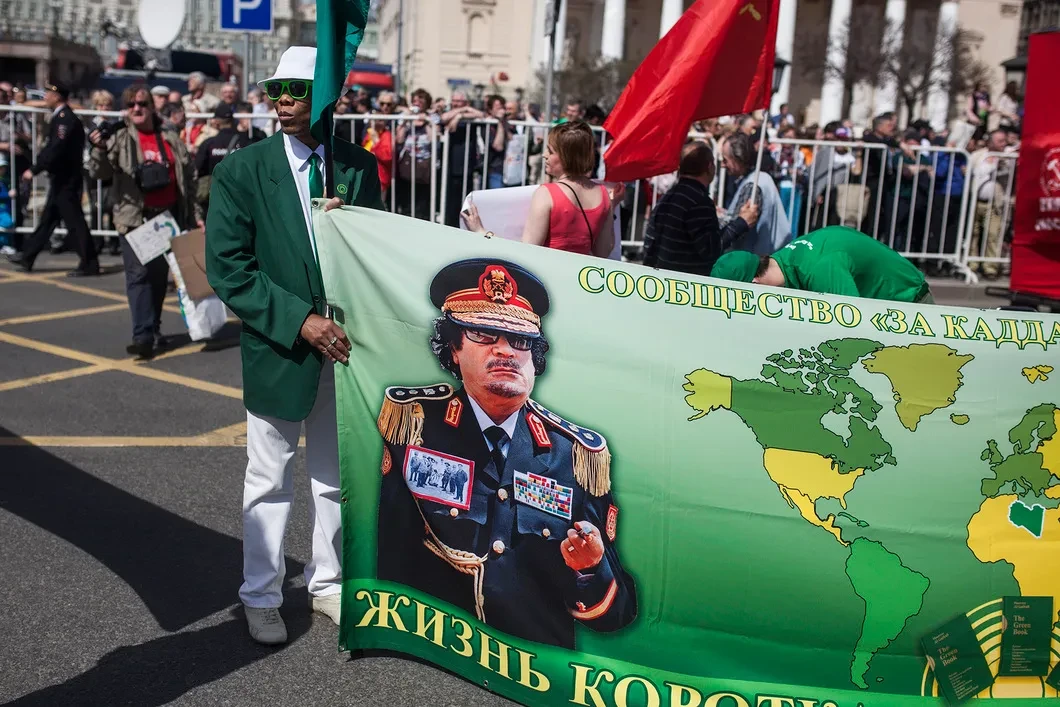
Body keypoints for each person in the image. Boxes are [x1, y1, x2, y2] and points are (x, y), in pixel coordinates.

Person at [205, 46, 384, 646]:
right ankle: (260, 594)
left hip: (347, 349)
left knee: (335, 477)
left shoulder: (357, 167)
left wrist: (349, 227)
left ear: (325, 96)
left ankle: (327, 583)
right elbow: (229, 269)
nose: (282, 101)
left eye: (297, 91)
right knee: (268, 478)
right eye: (275, 89)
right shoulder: (242, 170)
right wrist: (302, 321)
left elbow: (376, 257)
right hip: (280, 346)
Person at [375, 257, 637, 649]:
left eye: (520, 340)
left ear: (536, 358)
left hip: (529, 666)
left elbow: (619, 612)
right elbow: (389, 555)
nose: (506, 351)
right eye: (484, 333)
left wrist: (590, 568)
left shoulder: (575, 456)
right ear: (454, 348)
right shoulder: (415, 428)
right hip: (435, 650)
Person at [87, 84, 200, 358]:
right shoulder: (121, 137)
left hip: (165, 217)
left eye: (142, 104)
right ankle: (143, 336)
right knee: (138, 276)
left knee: (158, 278)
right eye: (131, 105)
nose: (136, 108)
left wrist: (194, 215)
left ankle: (154, 327)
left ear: (151, 107)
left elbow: (188, 176)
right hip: (134, 218)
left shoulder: (169, 137)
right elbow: (99, 173)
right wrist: (99, 149)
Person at [461, 120, 619, 257]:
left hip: (548, 276)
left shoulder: (547, 193)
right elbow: (602, 252)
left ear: (566, 157)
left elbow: (526, 252)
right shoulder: (603, 194)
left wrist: (482, 233)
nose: (544, 155)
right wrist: (611, 207)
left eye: (550, 151)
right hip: (579, 279)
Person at [7, 81, 98, 277]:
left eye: (48, 93)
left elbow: (56, 148)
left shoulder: (65, 119)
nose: (45, 97)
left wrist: (35, 169)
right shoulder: (59, 117)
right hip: (60, 178)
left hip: (66, 179)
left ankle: (89, 263)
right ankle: (27, 256)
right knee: (48, 220)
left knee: (75, 222)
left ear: (57, 96)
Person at [711, 225, 934, 304]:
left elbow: (853, 326)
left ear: (753, 284)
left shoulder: (818, 269)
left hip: (908, 302)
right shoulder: (785, 260)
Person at [642, 141, 758, 275]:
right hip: (684, 281)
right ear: (709, 166)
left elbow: (649, 243)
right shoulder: (698, 201)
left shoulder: (669, 196)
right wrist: (741, 223)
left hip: (662, 278)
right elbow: (711, 249)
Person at [720, 132, 791, 255]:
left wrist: (718, 219)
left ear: (738, 159)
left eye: (725, 160)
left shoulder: (752, 186)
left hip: (756, 258)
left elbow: (741, 227)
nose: (722, 164)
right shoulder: (761, 178)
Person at [968, 129, 1013, 280]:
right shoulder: (978, 155)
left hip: (995, 204)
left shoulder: (1008, 156)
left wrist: (1002, 161)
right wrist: (993, 164)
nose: (1003, 144)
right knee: (973, 234)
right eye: (1000, 141)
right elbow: (975, 172)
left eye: (1004, 141)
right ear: (990, 142)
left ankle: (990, 267)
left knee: (993, 235)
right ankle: (972, 264)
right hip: (975, 201)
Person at [194, 102, 252, 216]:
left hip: (214, 197)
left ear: (216, 121)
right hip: (240, 198)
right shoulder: (245, 142)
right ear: (232, 120)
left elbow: (198, 169)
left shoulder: (209, 143)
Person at [395, 88, 440, 219]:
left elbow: (434, 138)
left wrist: (426, 121)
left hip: (425, 163)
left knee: (422, 200)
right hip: (408, 162)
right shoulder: (405, 116)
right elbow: (399, 139)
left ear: (427, 103)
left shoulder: (433, 118)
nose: (417, 103)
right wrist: (406, 120)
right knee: (407, 198)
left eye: (421, 101)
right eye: (415, 100)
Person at [362, 90, 395, 205]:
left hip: (380, 177)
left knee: (377, 207)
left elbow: (387, 156)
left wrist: (376, 141)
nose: (377, 122)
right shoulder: (369, 132)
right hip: (367, 175)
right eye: (375, 119)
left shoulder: (386, 134)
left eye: (380, 119)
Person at [483, 94, 511, 189]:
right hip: (491, 168)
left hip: (505, 168)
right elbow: (498, 146)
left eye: (502, 107)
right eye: (498, 108)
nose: (501, 111)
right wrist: (500, 122)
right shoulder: (486, 124)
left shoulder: (506, 123)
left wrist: (503, 122)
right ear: (490, 110)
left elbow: (512, 139)